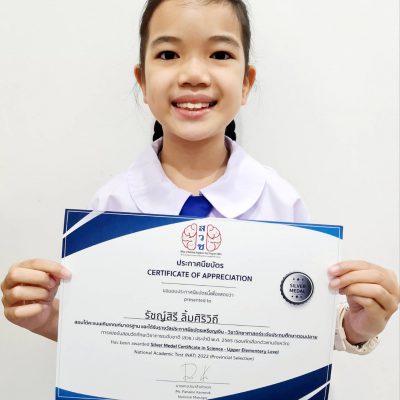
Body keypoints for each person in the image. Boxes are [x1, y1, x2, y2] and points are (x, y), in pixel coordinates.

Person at [1, 0, 399, 354]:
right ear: (142, 82)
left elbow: (297, 329)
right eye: (169, 53)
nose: (193, 74)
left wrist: (357, 326)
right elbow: (102, 330)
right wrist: (44, 317)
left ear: (246, 83)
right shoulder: (110, 207)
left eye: (220, 54)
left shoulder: (281, 203)